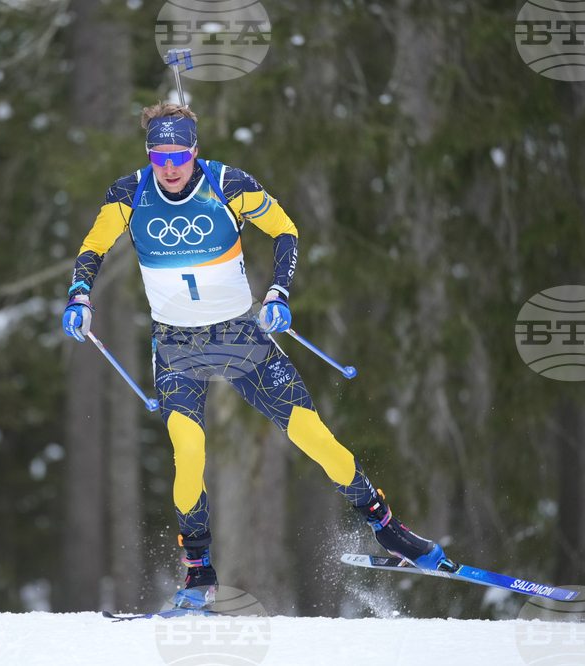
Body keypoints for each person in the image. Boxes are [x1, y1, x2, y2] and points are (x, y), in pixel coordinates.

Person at [63, 102, 452, 605]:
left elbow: (286, 229)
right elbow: (93, 246)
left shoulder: (229, 184)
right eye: (161, 157)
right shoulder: (129, 193)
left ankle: (388, 528)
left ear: (195, 150)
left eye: (179, 154)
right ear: (149, 155)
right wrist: (79, 295)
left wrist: (278, 293)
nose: (172, 167)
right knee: (189, 450)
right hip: (178, 345)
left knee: (315, 435)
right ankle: (198, 569)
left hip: (240, 337)